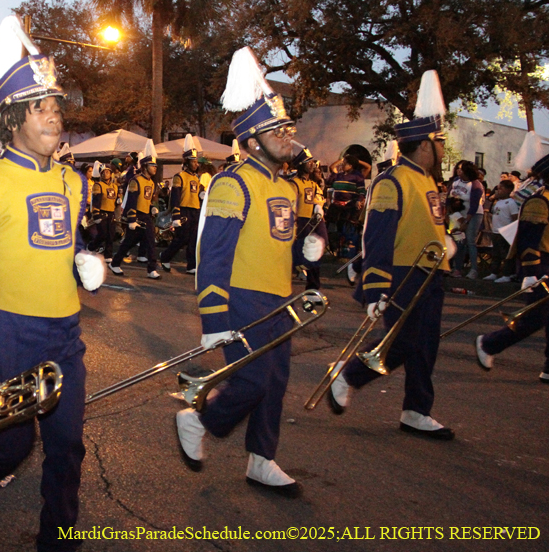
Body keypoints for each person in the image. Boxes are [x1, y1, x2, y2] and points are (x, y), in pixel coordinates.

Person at [0, 16, 104, 551]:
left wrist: (81, 260)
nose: (54, 116)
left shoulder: (74, 182)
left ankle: (58, 541)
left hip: (65, 331)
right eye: (41, 108)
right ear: (11, 120)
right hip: (7, 334)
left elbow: (60, 242)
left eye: (56, 107)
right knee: (10, 446)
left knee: (67, 445)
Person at [175, 46, 324, 497]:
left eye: (287, 127)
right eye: (276, 129)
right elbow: (213, 255)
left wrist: (305, 248)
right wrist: (213, 320)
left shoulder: (287, 184)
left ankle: (262, 459)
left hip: (279, 298)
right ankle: (199, 418)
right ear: (253, 138)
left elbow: (275, 240)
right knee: (253, 380)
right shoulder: (232, 182)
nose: (287, 135)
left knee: (275, 383)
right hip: (240, 297)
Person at [328, 70, 454, 440]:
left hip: (430, 274)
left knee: (425, 346)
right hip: (402, 274)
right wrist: (375, 288)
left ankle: (416, 410)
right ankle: (349, 374)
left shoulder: (427, 179)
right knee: (400, 343)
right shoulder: (392, 180)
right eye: (441, 141)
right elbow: (378, 237)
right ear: (426, 145)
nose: (444, 148)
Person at [475, 137, 549, 384]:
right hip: (540, 263)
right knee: (534, 317)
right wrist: (531, 271)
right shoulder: (540, 200)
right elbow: (529, 239)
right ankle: (489, 344)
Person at [109, 141, 161, 279]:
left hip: (145, 216)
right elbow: (132, 201)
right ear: (144, 166)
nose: (155, 168)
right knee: (128, 243)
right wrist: (131, 219)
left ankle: (151, 269)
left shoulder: (151, 182)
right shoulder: (135, 180)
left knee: (151, 242)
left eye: (155, 165)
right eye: (152, 165)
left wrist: (153, 207)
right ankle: (115, 263)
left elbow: (147, 200)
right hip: (136, 216)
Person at [159, 136, 203, 274]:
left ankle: (191, 265)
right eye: (194, 161)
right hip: (184, 211)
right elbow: (175, 197)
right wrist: (176, 215)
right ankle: (165, 256)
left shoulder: (196, 178)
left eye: (196, 161)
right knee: (181, 239)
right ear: (187, 162)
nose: (196, 164)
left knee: (194, 240)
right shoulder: (179, 177)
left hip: (195, 211)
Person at [289, 148, 328, 289]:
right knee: (293, 257)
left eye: (312, 162)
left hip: (311, 223)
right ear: (300, 164)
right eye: (308, 162)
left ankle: (312, 289)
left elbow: (318, 200)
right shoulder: (294, 183)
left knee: (313, 257)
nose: (312, 165)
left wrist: (319, 208)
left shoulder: (313, 184)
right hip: (298, 223)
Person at [448, 160, 485, 279]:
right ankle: (457, 269)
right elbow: (449, 198)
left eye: (461, 169)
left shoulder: (475, 185)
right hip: (458, 214)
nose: (458, 171)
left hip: (473, 215)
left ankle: (474, 269)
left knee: (470, 241)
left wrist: (466, 221)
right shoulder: (455, 182)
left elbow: (474, 205)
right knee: (459, 241)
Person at [482, 179, 518, 283]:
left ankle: (507, 274)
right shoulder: (498, 202)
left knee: (505, 254)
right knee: (496, 253)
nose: (498, 190)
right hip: (496, 231)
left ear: (508, 190)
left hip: (505, 231)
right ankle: (494, 272)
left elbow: (514, 217)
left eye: (501, 188)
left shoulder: (511, 203)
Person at [88, 161, 118, 260]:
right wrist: (96, 214)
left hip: (111, 213)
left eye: (107, 172)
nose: (106, 174)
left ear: (111, 174)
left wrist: (118, 201)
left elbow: (115, 200)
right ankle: (91, 246)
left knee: (111, 235)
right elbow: (96, 201)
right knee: (103, 234)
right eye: (103, 172)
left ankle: (108, 255)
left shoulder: (115, 186)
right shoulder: (98, 185)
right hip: (102, 213)